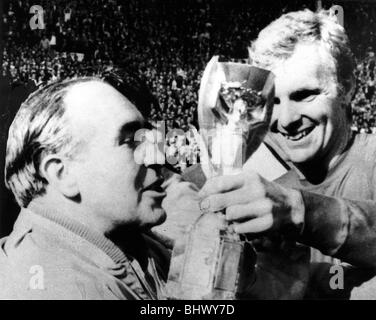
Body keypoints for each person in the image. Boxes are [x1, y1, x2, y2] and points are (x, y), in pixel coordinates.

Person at [190, 9, 376, 299]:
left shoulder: (372, 158)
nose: (286, 119)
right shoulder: (247, 164)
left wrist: (298, 210)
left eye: (304, 95)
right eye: (273, 101)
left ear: (347, 87)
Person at [0, 72, 174, 299]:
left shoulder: (136, 245)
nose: (158, 156)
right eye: (131, 141)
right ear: (63, 174)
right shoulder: (46, 288)